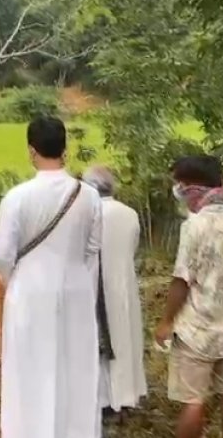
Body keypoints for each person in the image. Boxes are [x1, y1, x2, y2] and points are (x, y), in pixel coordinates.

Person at [0, 115, 103, 438]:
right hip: (76, 288)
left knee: (30, 367)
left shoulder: (17, 197)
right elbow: (92, 248)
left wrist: (13, 279)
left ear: (31, 150)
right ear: (64, 149)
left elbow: (1, 254)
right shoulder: (89, 196)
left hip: (29, 290)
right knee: (76, 365)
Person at [155, 155, 223, 438]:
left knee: (193, 401)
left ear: (192, 188)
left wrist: (165, 322)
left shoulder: (195, 225)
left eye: (180, 185)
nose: (178, 191)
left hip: (197, 327)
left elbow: (181, 280)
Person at [82, 166, 147, 414]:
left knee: (98, 339)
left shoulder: (89, 214)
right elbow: (133, 247)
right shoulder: (129, 213)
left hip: (94, 286)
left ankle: (101, 399)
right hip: (123, 285)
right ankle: (125, 395)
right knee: (124, 338)